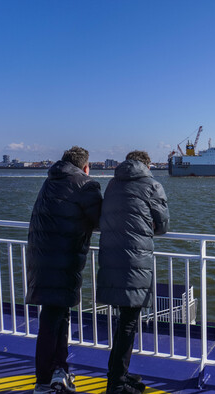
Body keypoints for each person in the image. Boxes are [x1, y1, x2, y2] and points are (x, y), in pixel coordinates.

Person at [26, 146, 102, 394]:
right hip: (64, 259)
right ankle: (43, 381)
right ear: (86, 166)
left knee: (58, 315)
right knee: (51, 320)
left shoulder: (50, 181)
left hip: (41, 258)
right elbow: (100, 219)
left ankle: (60, 370)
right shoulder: (85, 184)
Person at [97, 150, 169, 394]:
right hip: (135, 260)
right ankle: (116, 384)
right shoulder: (152, 185)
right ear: (146, 165)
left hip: (110, 256)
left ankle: (119, 376)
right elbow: (163, 225)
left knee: (123, 322)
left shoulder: (112, 184)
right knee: (128, 323)